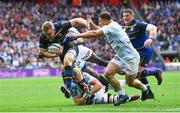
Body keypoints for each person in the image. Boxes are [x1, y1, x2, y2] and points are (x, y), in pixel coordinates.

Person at [67, 11, 154, 106]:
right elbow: (98, 29)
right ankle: (122, 95)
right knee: (108, 74)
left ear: (105, 20)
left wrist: (76, 36)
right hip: (121, 56)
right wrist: (91, 24)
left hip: (131, 57)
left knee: (130, 82)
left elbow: (95, 33)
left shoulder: (111, 27)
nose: (99, 23)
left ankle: (145, 89)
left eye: (100, 21)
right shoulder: (110, 26)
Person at [120, 9, 162, 86]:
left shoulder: (138, 24)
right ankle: (154, 76)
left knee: (135, 75)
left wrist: (150, 38)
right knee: (130, 72)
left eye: (127, 16)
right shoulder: (122, 26)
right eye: (124, 16)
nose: (125, 17)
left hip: (144, 52)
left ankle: (147, 88)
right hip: (133, 53)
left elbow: (153, 27)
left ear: (133, 16)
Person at [60, 68, 140, 105]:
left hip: (97, 91)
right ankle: (128, 98)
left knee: (118, 84)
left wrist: (89, 92)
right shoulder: (72, 85)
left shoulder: (85, 76)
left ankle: (133, 82)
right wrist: (85, 93)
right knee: (113, 99)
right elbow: (78, 102)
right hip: (93, 97)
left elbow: (99, 85)